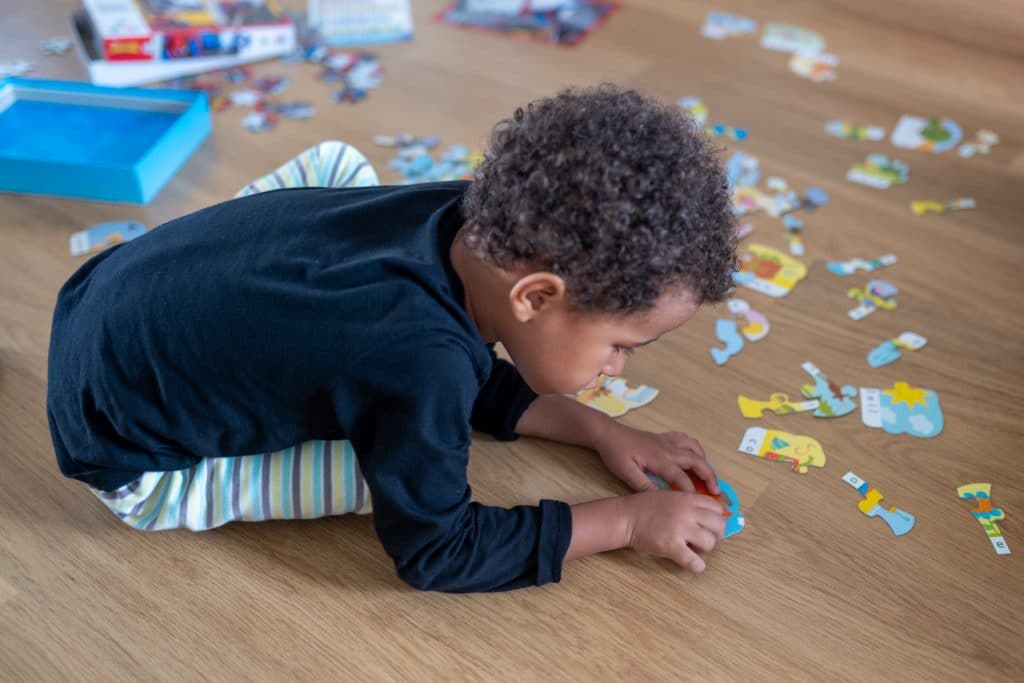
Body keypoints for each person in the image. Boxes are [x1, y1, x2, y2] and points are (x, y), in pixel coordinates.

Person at [46, 84, 738, 592]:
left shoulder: (470, 214)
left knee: (342, 168)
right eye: (622, 345)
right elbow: (438, 550)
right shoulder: (421, 363)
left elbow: (452, 368)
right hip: (128, 453)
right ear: (534, 296)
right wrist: (625, 522)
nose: (616, 366)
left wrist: (598, 430)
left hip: (101, 291)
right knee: (379, 470)